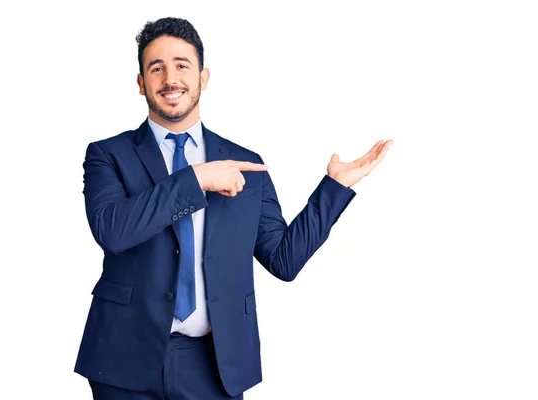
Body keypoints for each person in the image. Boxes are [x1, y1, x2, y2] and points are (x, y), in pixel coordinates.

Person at [74, 16, 393, 400]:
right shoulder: (108, 155)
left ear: (203, 78)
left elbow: (283, 259)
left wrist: (335, 189)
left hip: (214, 364)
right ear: (141, 84)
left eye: (181, 65)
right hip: (123, 358)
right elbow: (112, 230)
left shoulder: (245, 163)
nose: (169, 78)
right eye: (156, 68)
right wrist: (196, 180)